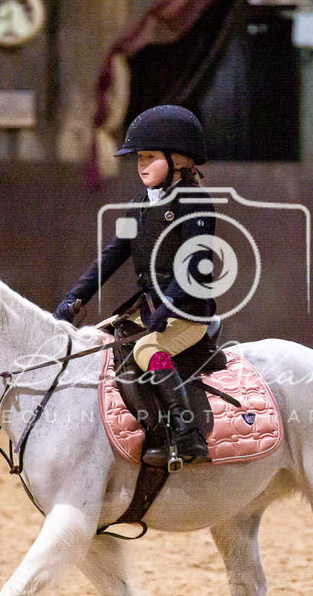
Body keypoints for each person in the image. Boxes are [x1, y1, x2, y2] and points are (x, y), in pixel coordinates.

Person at [54, 105, 219, 469]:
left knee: (147, 351)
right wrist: (76, 297)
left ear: (178, 160)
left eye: (149, 157)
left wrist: (168, 308)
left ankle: (188, 433)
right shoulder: (141, 205)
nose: (141, 165)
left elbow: (195, 266)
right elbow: (114, 254)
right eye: (139, 158)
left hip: (188, 315)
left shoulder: (195, 203)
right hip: (151, 312)